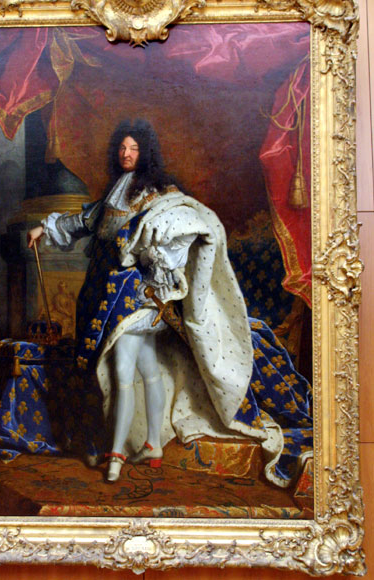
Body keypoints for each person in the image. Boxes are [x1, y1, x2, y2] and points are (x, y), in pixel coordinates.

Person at [28, 119, 312, 486]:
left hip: (138, 297)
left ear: (145, 153)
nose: (127, 154)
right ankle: (151, 445)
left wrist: (157, 259)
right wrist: (46, 227)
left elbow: (188, 225)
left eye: (134, 149)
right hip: (102, 294)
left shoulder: (160, 195)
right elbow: (88, 219)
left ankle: (115, 453)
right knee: (146, 369)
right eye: (122, 148)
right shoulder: (116, 191)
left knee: (121, 371)